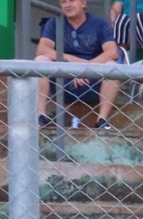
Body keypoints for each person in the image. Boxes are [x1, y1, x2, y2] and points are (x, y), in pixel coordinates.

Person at [36, 0, 121, 131]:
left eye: (72, 0)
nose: (67, 5)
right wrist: (74, 62)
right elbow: (42, 50)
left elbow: (112, 52)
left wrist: (86, 69)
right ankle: (40, 116)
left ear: (83, 3)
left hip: (92, 81)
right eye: (63, 2)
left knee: (112, 65)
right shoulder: (54, 22)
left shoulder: (100, 23)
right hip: (62, 81)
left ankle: (101, 120)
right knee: (41, 60)